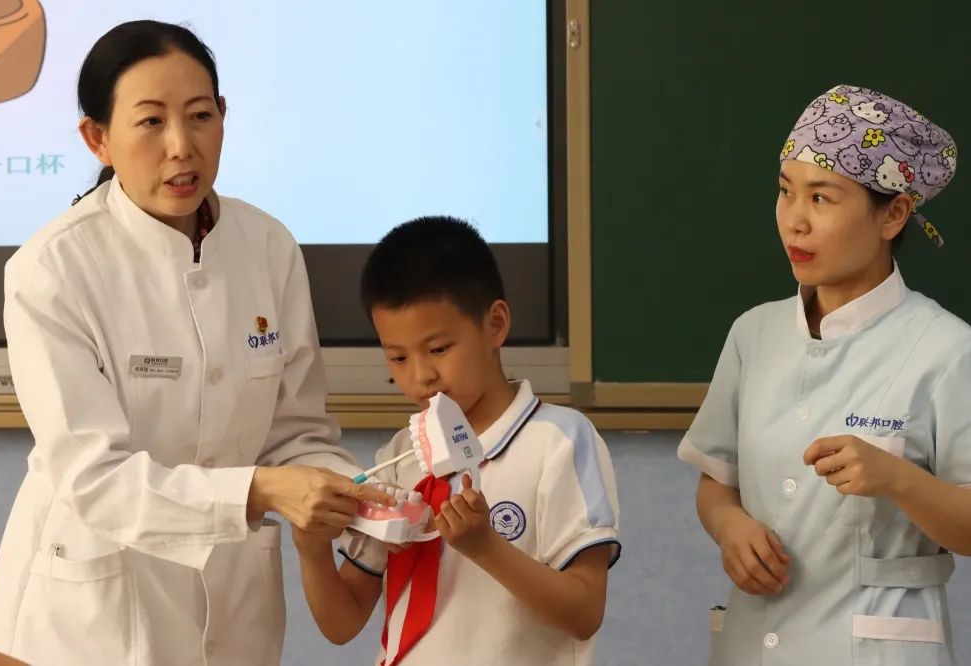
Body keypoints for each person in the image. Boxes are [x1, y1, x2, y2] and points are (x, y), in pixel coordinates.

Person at [0, 20, 392, 666]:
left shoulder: (268, 246)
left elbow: (295, 435)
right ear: (97, 138)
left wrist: (371, 494)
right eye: (150, 122)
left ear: (223, 114)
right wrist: (259, 491)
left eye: (200, 116)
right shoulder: (51, 269)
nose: (181, 147)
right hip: (90, 617)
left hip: (234, 608)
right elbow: (95, 478)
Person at [679, 85, 970, 664]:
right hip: (753, 641)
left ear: (893, 214)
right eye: (785, 192)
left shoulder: (947, 349)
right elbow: (717, 480)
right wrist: (731, 527)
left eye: (821, 198)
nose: (795, 221)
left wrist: (898, 479)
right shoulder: (753, 335)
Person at [295, 216, 622, 665]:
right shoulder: (399, 457)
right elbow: (342, 623)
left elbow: (584, 612)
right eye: (398, 357)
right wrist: (310, 548)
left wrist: (485, 547)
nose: (421, 376)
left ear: (495, 324)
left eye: (438, 350)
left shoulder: (559, 442)